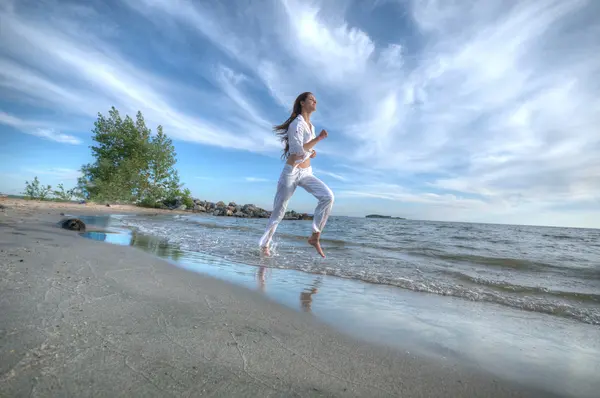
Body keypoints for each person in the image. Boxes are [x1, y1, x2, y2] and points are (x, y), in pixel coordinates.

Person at [259, 92, 334, 258]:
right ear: (302, 103)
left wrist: (312, 151)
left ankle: (315, 236)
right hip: (291, 172)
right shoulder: (296, 124)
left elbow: (306, 149)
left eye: (316, 99)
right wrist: (319, 139)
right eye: (311, 99)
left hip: (306, 172)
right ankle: (265, 245)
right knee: (279, 211)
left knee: (328, 196)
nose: (315, 101)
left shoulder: (311, 126)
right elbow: (297, 151)